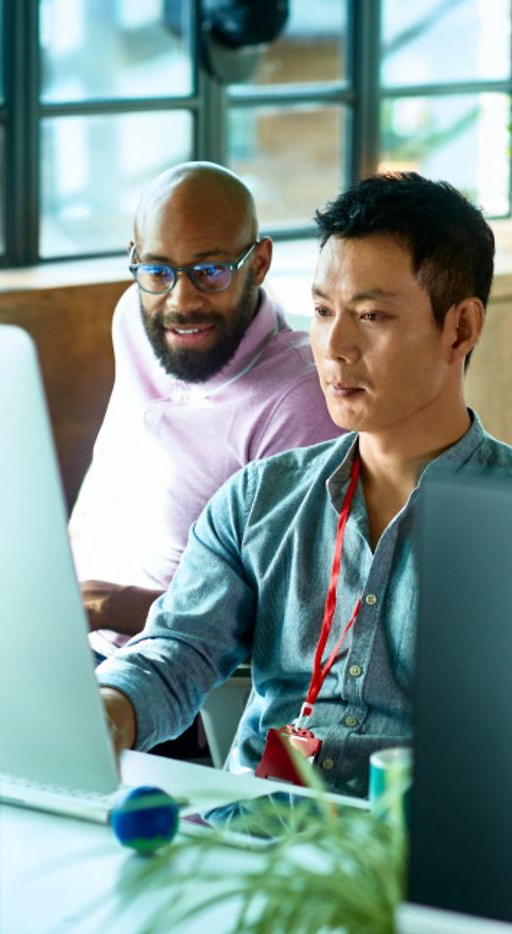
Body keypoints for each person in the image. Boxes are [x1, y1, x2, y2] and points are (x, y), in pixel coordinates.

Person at [95, 172, 512, 797]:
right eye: (322, 311)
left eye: (371, 315)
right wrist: (109, 707)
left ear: (459, 329)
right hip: (256, 839)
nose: (335, 346)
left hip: (419, 861)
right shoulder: (257, 500)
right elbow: (177, 651)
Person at [69, 162, 340, 657]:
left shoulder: (299, 399)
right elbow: (109, 471)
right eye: (157, 271)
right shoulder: (133, 316)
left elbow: (289, 617)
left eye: (209, 271)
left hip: (170, 676)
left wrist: (105, 605)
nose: (180, 301)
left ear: (258, 263)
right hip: (67, 635)